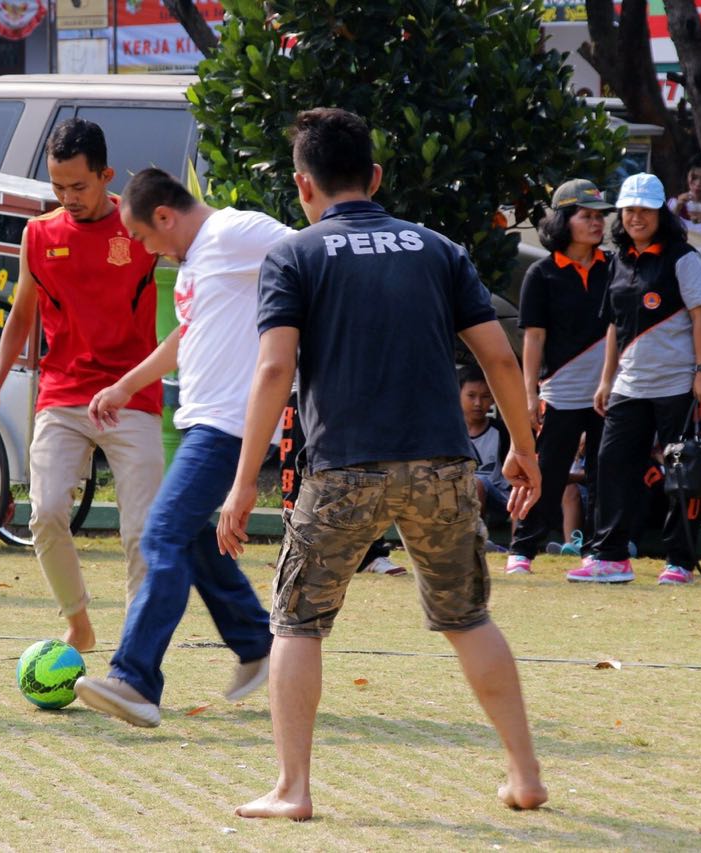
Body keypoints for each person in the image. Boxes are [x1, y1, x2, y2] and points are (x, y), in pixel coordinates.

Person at [217, 108, 547, 820]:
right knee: (468, 616)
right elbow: (496, 354)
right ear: (375, 176)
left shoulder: (296, 255)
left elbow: (275, 368)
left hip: (343, 466)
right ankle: (524, 774)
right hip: (443, 463)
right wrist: (522, 446)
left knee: (297, 620)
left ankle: (293, 788)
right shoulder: (437, 249)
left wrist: (244, 484)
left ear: (303, 186)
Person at [73, 168, 286, 727]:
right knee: (191, 540)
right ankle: (257, 644)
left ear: (165, 215)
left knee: (161, 534)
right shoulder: (196, 260)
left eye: (144, 238)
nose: (148, 251)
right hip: (203, 422)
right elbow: (186, 334)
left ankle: (135, 680)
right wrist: (126, 384)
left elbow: (309, 250)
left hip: (228, 425)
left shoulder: (235, 232)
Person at [0, 119, 163, 652]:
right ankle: (77, 621)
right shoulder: (40, 233)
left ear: (106, 176)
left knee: (142, 534)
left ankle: (137, 650)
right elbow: (20, 318)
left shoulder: (141, 227)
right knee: (46, 512)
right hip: (64, 392)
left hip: (132, 395)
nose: (68, 198)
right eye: (57, 187)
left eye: (79, 186)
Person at [570, 172, 701, 585]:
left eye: (645, 210)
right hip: (628, 385)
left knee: (680, 472)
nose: (636, 217)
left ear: (660, 213)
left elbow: (699, 316)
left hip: (678, 384)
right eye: (629, 210)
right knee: (611, 464)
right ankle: (611, 556)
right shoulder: (618, 260)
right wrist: (605, 380)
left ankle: (679, 561)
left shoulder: (683, 258)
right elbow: (615, 326)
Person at [505, 180, 610, 574]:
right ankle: (522, 549)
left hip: (608, 393)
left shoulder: (613, 268)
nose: (597, 223)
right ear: (565, 220)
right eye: (587, 216)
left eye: (600, 216)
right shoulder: (542, 273)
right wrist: (529, 394)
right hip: (561, 391)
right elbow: (533, 337)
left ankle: (599, 552)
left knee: (605, 471)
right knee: (547, 470)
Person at [281, 390, 408, 576]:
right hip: (302, 390)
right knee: (296, 468)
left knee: (368, 466)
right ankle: (291, 548)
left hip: (357, 390)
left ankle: (371, 554)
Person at [460, 364, 512, 522]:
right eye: (471, 396)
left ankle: (476, 534)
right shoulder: (449, 432)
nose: (478, 403)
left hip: (498, 498)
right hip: (458, 497)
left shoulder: (502, 431)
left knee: (477, 482)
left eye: (485, 396)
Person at [667, 153, 701, 238]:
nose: (698, 184)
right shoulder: (675, 202)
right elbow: (663, 231)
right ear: (687, 176)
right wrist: (677, 208)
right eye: (694, 177)